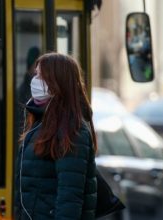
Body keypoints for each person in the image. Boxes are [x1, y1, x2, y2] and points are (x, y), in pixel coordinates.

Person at [14, 52, 97, 219]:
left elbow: (69, 198)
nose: (34, 81)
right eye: (35, 74)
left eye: (40, 76)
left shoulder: (72, 130)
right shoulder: (40, 121)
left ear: (57, 81)